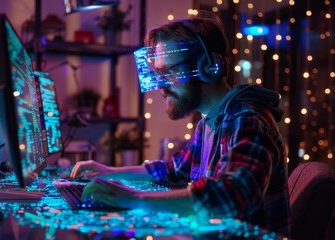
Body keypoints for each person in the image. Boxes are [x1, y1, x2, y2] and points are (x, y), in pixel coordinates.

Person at [70, 12, 290, 236]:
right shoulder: (210, 121)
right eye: (158, 75)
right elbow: (173, 170)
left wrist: (134, 198)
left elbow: (232, 193)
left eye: (170, 72)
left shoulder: (246, 118)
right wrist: (109, 172)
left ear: (208, 67)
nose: (162, 88)